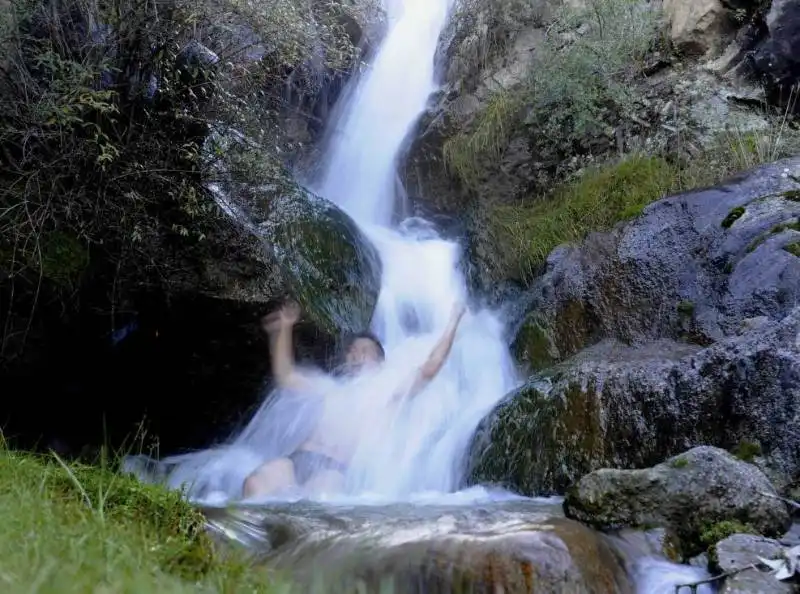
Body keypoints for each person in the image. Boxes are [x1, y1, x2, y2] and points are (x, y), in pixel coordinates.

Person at [241, 300, 467, 499]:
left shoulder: (387, 394)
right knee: (255, 485)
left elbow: (429, 369)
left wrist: (453, 323)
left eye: (364, 350)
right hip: (299, 458)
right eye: (352, 351)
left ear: (380, 362)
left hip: (333, 468)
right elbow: (286, 376)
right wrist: (284, 329)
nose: (356, 355)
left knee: (316, 502)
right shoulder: (328, 388)